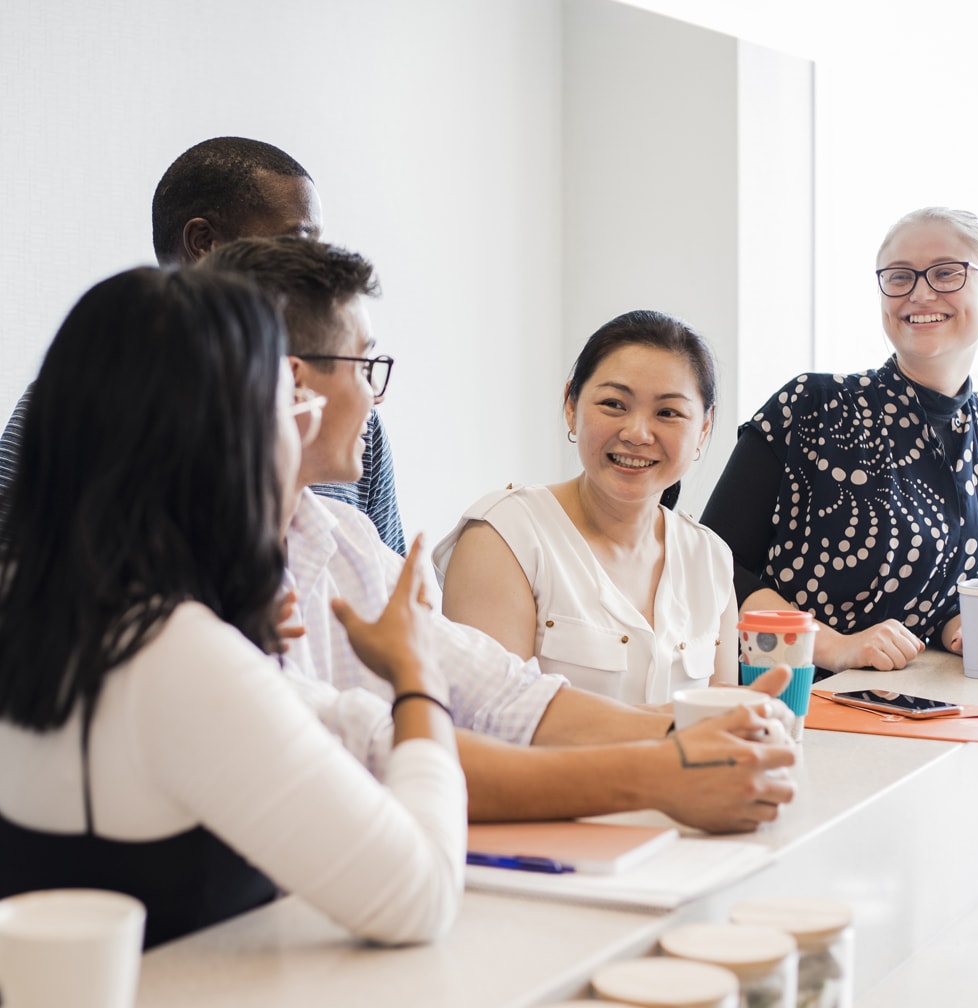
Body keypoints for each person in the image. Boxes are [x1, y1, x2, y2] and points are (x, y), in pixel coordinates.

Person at [200, 237, 797, 835]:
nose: (375, 402)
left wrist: (696, 732)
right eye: (366, 368)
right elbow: (379, 754)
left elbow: (501, 692)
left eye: (669, 412)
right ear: (293, 387)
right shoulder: (192, 581)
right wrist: (663, 772)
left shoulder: (345, 539)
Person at [0, 267, 465, 949]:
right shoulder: (172, 654)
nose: (301, 424)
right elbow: (419, 896)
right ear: (224, 444)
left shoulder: (40, 604)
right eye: (287, 404)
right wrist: (418, 679)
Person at [0, 136, 406, 555]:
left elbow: (399, 596)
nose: (316, 266)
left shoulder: (354, 422)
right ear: (204, 244)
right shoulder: (83, 400)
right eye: (297, 241)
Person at [700, 207, 978, 676]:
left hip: (913, 702)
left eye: (945, 273)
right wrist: (835, 646)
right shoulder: (811, 404)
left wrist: (974, 633)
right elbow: (711, 566)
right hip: (784, 699)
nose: (920, 292)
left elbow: (956, 599)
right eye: (900, 277)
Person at [433, 310, 737, 705]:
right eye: (614, 404)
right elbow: (487, 723)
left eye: (668, 413)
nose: (637, 434)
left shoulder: (710, 558)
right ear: (571, 406)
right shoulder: (504, 536)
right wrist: (669, 734)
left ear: (704, 428)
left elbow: (726, 727)